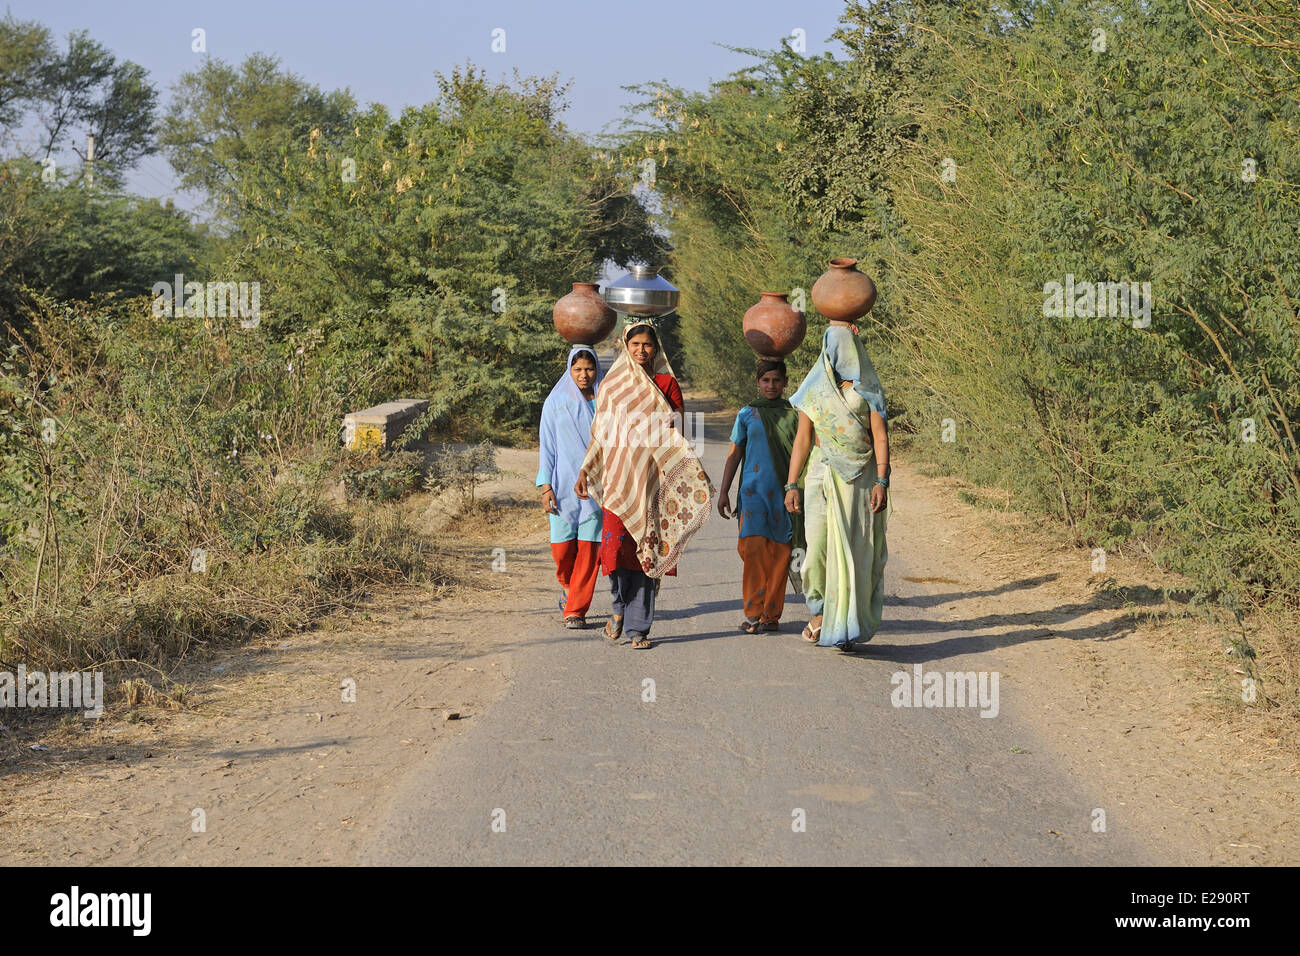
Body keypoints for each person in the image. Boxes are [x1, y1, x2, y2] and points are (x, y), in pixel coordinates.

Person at [575, 322, 713, 649]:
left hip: (654, 482)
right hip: (618, 484)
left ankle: (640, 629)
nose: (641, 351)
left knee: (647, 555)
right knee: (613, 551)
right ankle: (618, 608)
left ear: (656, 348)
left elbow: (679, 431)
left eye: (647, 345)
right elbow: (601, 434)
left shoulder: (666, 383)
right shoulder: (611, 386)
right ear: (626, 346)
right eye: (635, 344)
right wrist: (585, 469)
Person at [784, 319, 890, 652]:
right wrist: (791, 484)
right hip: (820, 475)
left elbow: (881, 436)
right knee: (815, 551)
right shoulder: (814, 388)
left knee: (857, 552)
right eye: (835, 345)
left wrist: (883, 481)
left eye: (846, 344)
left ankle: (847, 626)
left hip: (861, 479)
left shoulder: (868, 388)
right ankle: (819, 613)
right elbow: (803, 439)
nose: (840, 351)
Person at [718, 358, 804, 633]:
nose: (771, 385)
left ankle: (769, 614)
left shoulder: (795, 415)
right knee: (752, 550)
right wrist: (723, 492)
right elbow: (734, 455)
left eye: (776, 380)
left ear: (785, 383)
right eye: (765, 380)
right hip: (753, 493)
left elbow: (806, 454)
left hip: (785, 493)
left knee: (780, 552)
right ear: (757, 383)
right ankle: (754, 610)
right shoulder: (747, 414)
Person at [537, 347, 604, 629]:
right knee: (562, 552)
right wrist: (545, 485)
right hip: (562, 486)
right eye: (577, 370)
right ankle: (568, 587)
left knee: (589, 552)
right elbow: (547, 446)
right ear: (569, 370)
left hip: (597, 489)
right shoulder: (556, 402)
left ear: (596, 369)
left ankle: (575, 610)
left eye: (589, 369)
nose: (583, 375)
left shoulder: (607, 402)